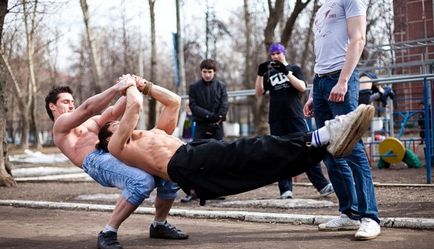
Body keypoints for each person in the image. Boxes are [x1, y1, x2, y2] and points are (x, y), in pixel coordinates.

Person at [97, 78, 375, 211]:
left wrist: (144, 85)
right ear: (109, 136)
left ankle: (324, 143)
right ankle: (325, 136)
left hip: (193, 159)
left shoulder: (154, 133)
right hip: (184, 165)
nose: (119, 123)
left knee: (261, 165)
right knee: (252, 149)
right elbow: (133, 107)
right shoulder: (117, 147)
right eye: (113, 125)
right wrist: (129, 86)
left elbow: (174, 101)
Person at [45, 76, 188, 249]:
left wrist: (130, 85)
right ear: (53, 106)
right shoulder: (60, 125)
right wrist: (115, 88)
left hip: (114, 152)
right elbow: (87, 108)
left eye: (72, 101)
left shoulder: (91, 123)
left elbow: (113, 112)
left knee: (167, 170)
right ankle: (108, 232)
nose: (71, 105)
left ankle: (159, 225)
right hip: (95, 161)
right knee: (142, 181)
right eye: (66, 102)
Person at [303, 0, 381, 240]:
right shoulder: (322, 7)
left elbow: (358, 39)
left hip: (341, 77)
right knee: (330, 151)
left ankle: (370, 217)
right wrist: (313, 94)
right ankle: (348, 213)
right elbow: (322, 53)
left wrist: (344, 80)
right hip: (321, 81)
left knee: (352, 148)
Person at [256, 42, 334, 199]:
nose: (275, 56)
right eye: (273, 54)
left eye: (278, 53)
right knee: (280, 153)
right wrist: (260, 74)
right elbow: (259, 92)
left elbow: (302, 88)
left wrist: (286, 73)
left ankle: (322, 185)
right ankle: (285, 190)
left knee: (307, 149)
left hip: (295, 116)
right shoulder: (269, 74)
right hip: (276, 118)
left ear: (284, 53)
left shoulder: (294, 69)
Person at [182, 58, 229, 202]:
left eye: (210, 71)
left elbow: (224, 105)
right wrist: (209, 117)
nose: (207, 74)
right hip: (201, 127)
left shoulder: (221, 86)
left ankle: (216, 190)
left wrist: (216, 120)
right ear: (201, 72)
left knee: (218, 159)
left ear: (214, 72)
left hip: (217, 127)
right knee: (197, 159)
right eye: (204, 71)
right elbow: (194, 106)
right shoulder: (194, 87)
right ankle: (194, 191)